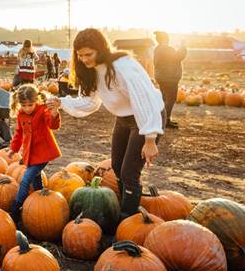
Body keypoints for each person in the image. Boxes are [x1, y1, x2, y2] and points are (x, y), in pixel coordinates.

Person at [51, 28, 165, 219]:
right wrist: (61, 102)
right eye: (80, 55)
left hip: (146, 116)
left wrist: (150, 138)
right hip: (124, 118)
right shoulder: (92, 71)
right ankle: (124, 206)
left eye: (89, 54)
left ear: (101, 49)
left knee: (129, 172)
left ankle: (128, 218)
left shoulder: (123, 67)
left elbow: (144, 100)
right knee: (118, 166)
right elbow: (90, 102)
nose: (84, 59)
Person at [7, 84, 61, 221]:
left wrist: (54, 114)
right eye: (24, 105)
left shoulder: (43, 110)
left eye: (30, 105)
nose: (27, 108)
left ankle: (15, 209)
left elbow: (52, 125)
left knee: (25, 180)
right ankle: (42, 200)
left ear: (36, 100)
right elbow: (19, 133)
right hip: (30, 154)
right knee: (36, 179)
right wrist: (13, 149)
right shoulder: (21, 114)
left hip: (43, 153)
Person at [153, 31, 187, 129]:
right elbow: (178, 57)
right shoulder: (167, 49)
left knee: (164, 98)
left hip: (161, 77)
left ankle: (161, 119)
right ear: (166, 39)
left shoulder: (157, 49)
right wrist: (183, 46)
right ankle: (166, 120)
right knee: (171, 99)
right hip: (169, 78)